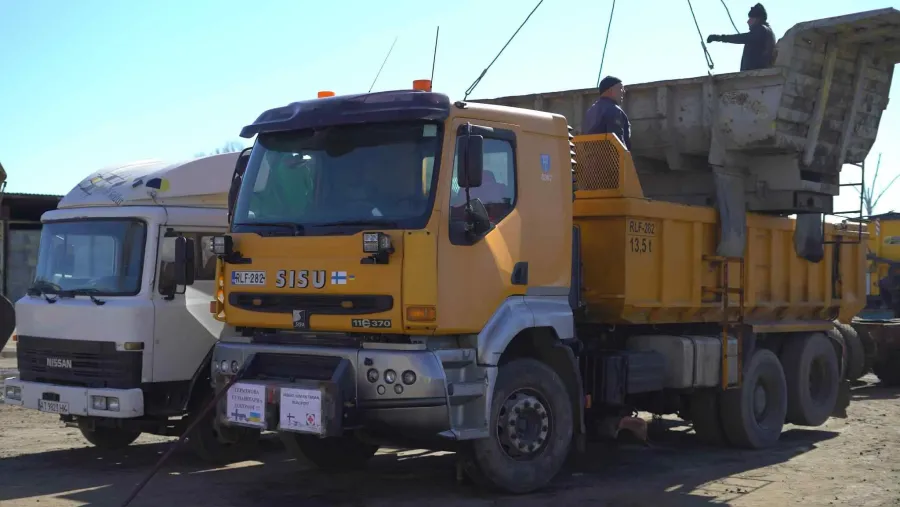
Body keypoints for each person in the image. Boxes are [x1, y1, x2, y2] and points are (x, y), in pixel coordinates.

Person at [706, 3, 776, 72]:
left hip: (754, 75)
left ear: (757, 19)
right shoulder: (767, 31)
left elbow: (740, 38)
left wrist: (718, 38)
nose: (748, 21)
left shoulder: (761, 30)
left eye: (751, 18)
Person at [583, 76, 631, 150]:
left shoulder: (590, 111)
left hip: (590, 159)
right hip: (611, 160)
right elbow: (617, 142)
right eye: (621, 88)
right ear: (611, 90)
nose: (623, 92)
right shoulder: (614, 110)